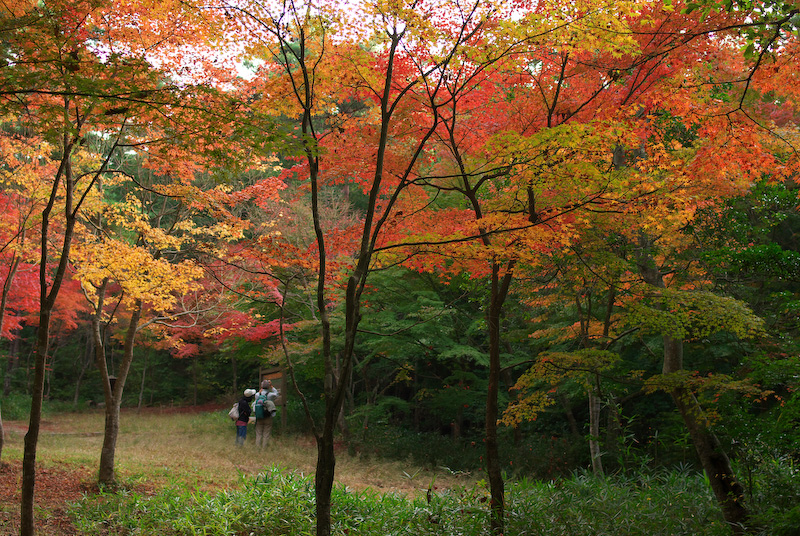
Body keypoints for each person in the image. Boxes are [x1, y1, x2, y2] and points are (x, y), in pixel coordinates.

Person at [254, 379, 279, 448]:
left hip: (259, 416)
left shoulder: (257, 395)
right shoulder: (270, 395)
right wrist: (272, 386)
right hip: (268, 416)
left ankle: (257, 447)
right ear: (268, 387)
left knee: (258, 433)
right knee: (266, 433)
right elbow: (277, 394)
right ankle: (264, 448)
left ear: (261, 387)